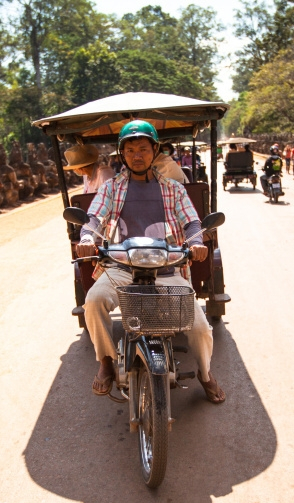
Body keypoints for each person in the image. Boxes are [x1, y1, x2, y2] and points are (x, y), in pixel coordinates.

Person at [76, 120, 226, 404]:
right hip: (120, 267)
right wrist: (87, 237)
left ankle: (205, 375)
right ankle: (107, 360)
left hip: (166, 268)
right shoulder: (111, 188)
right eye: (130, 149)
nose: (137, 155)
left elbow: (192, 221)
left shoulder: (173, 189)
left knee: (201, 328)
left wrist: (195, 242)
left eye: (143, 148)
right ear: (122, 154)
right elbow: (94, 218)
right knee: (93, 302)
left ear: (154, 150)